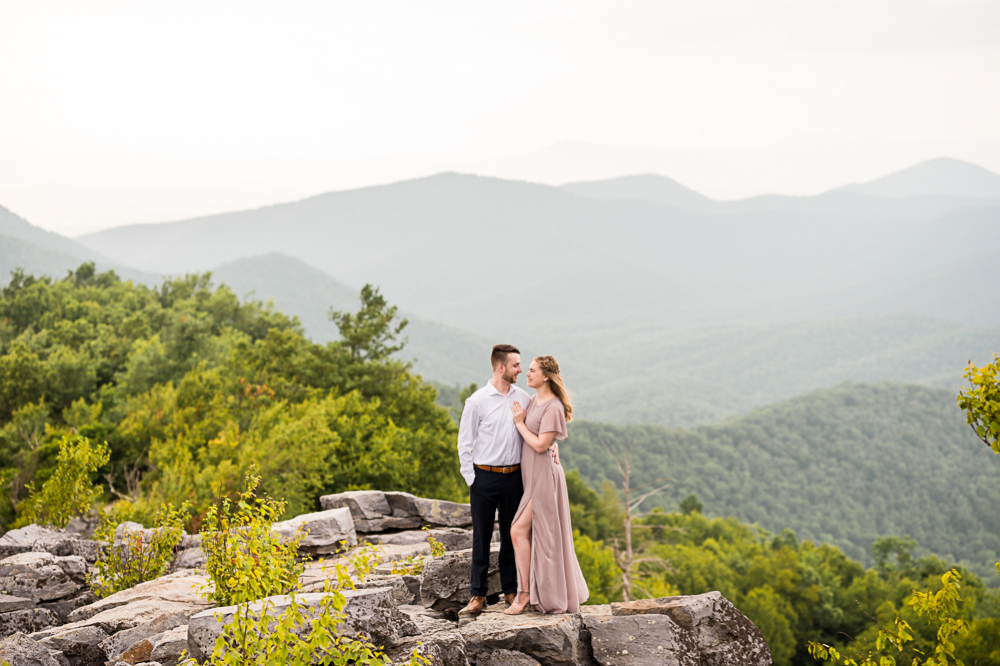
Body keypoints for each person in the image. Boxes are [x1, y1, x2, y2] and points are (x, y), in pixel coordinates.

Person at [505, 355, 589, 614]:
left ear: (545, 376)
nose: (526, 374)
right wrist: (551, 445)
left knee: (518, 531)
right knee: (537, 534)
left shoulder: (553, 406)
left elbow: (541, 444)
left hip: (544, 479)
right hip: (533, 477)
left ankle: (524, 595)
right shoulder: (534, 399)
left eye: (531, 371)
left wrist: (519, 424)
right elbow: (546, 442)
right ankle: (538, 591)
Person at [456, 344, 531, 614]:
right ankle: (477, 595)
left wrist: (553, 446)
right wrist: (471, 479)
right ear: (501, 368)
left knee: (513, 535)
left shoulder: (523, 397)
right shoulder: (477, 401)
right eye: (516, 366)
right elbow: (464, 443)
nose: (520, 370)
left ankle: (511, 590)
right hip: (484, 478)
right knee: (482, 537)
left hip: (514, 478)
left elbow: (536, 430)